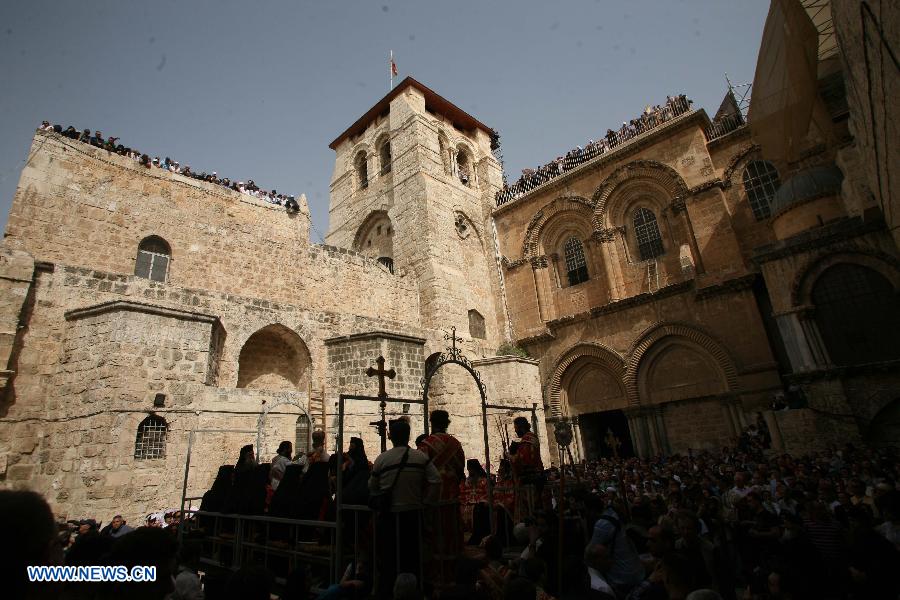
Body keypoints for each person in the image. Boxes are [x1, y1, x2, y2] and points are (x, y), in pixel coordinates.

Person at [368, 419, 440, 599]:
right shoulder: (420, 457)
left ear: (391, 437)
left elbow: (372, 486)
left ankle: (388, 592)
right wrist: (427, 502)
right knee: (412, 558)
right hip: (413, 515)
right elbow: (436, 480)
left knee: (388, 559)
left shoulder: (382, 459)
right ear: (408, 436)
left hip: (389, 516)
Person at [418, 409, 466, 581]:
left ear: (432, 423)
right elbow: (461, 470)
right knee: (452, 531)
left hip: (434, 497)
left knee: (435, 533)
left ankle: (437, 574)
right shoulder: (456, 444)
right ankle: (455, 570)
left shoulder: (426, 444)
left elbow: (421, 472)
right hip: (452, 496)